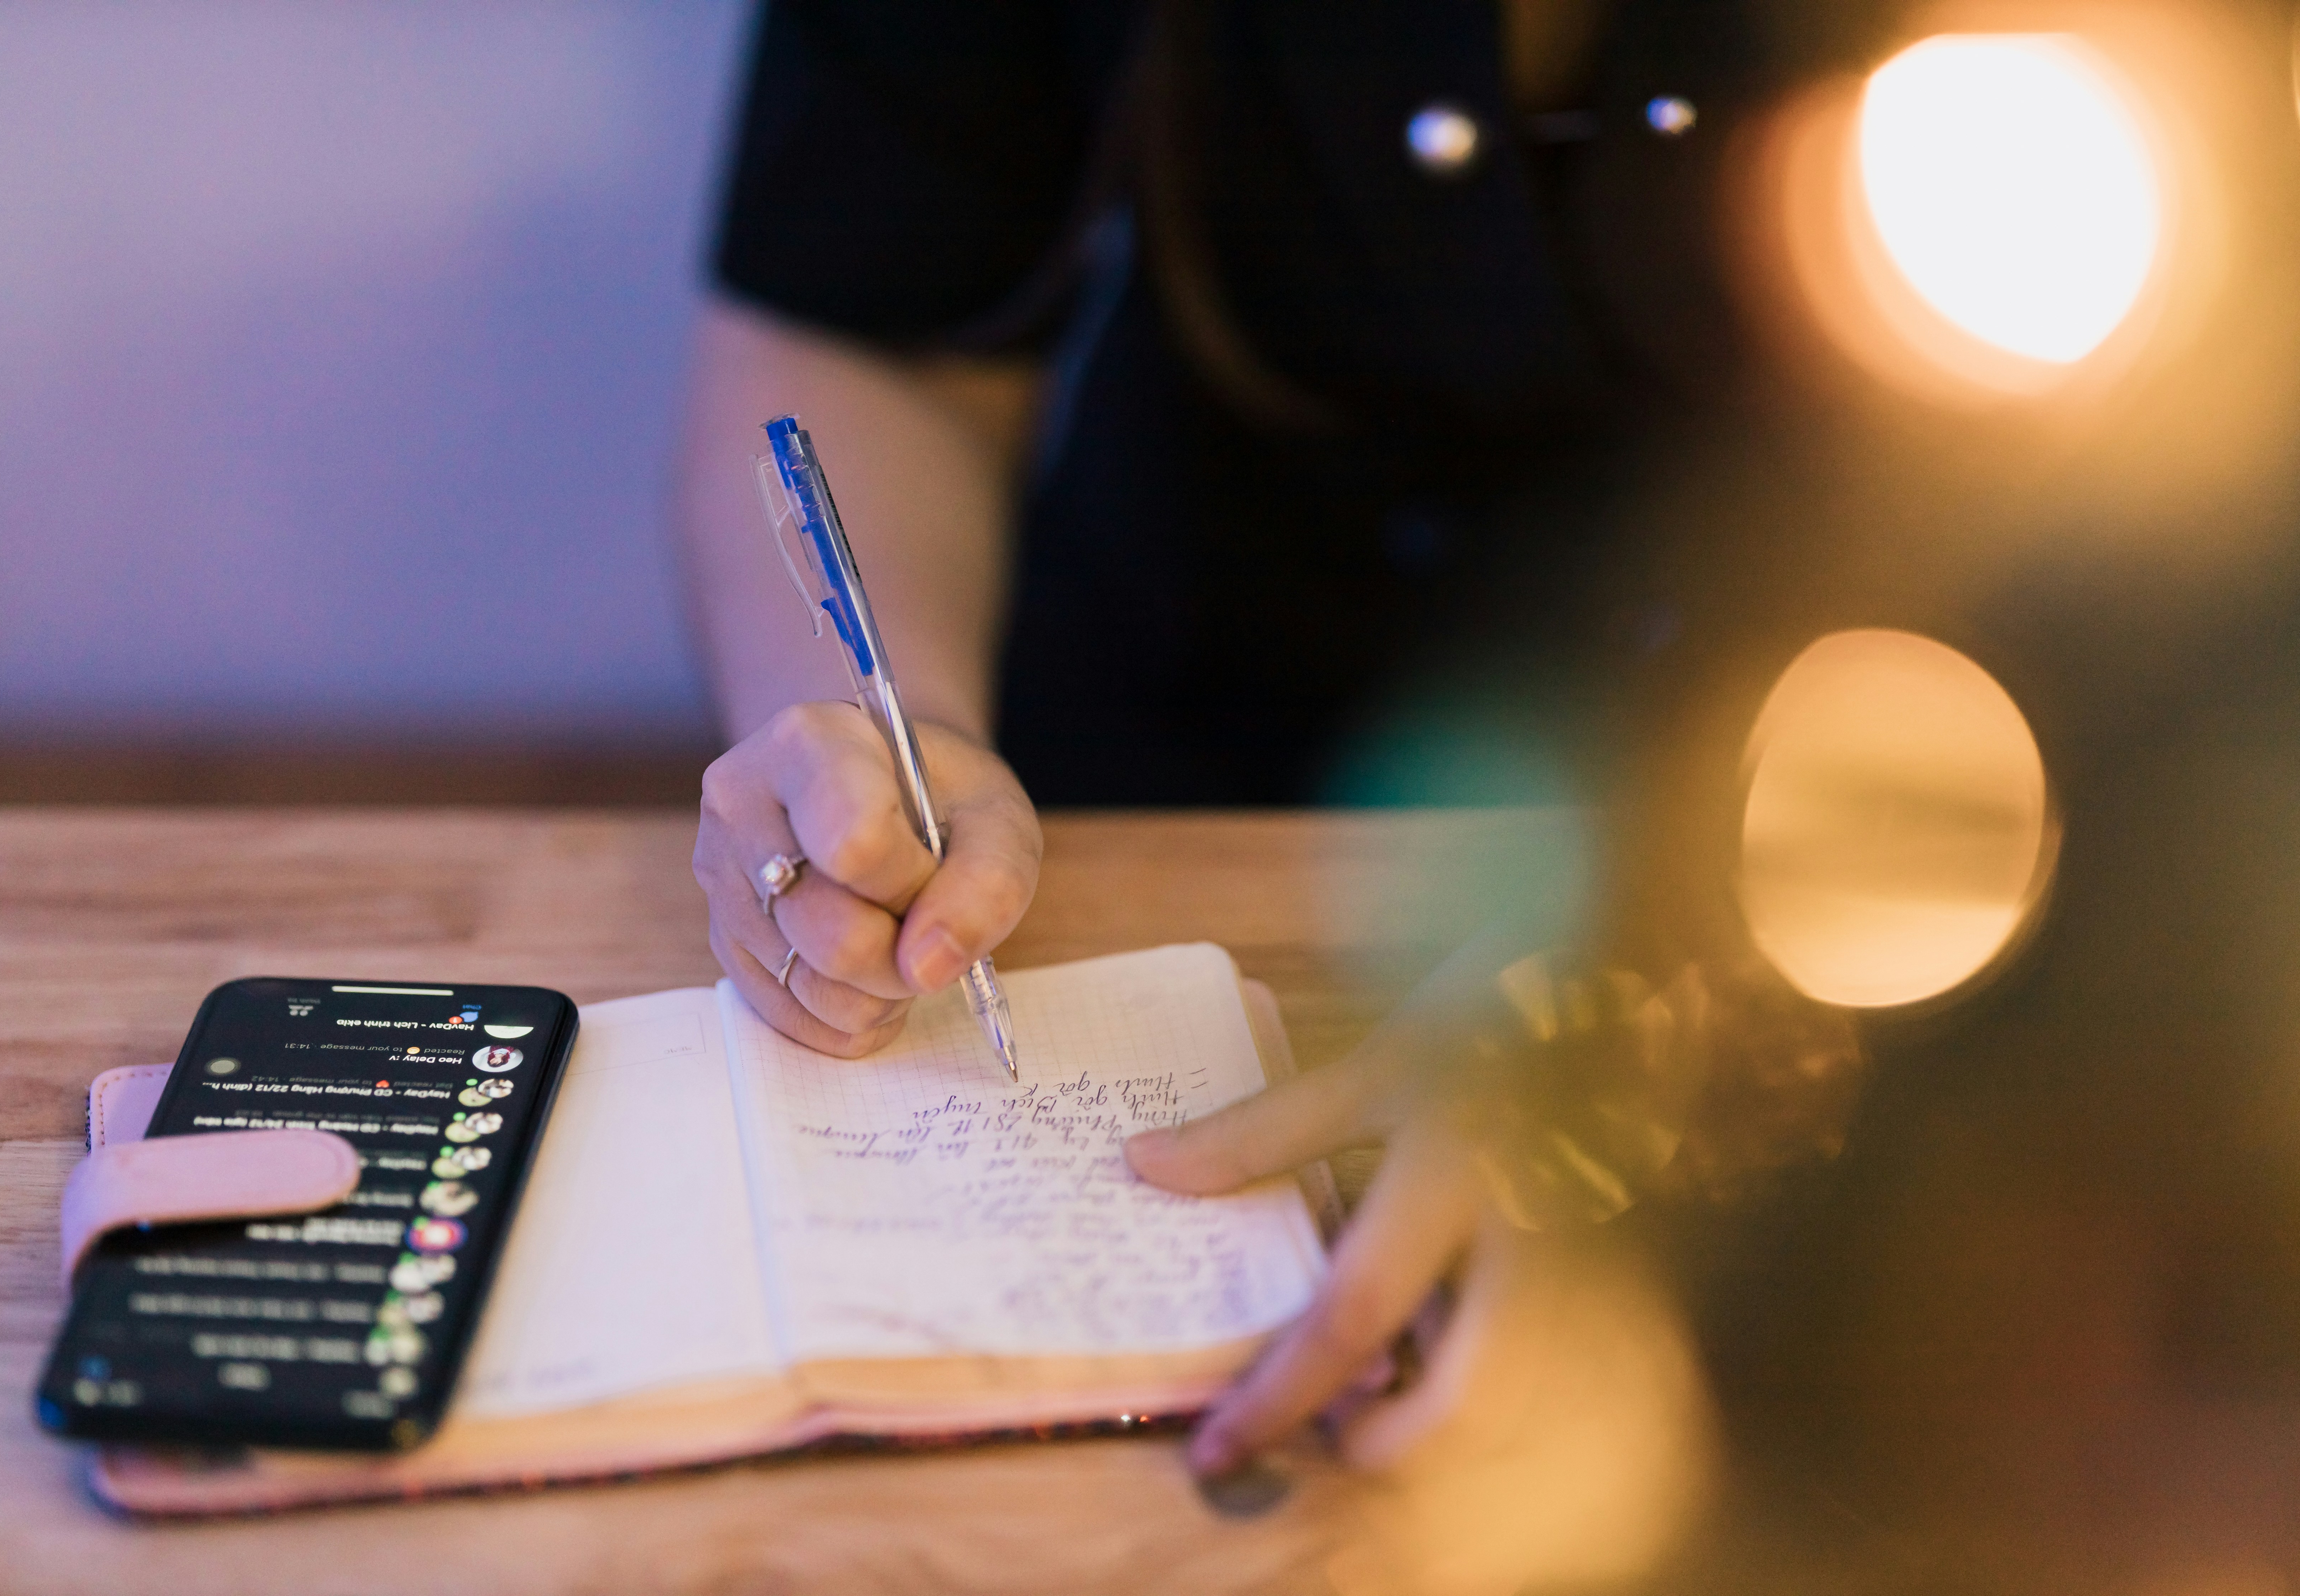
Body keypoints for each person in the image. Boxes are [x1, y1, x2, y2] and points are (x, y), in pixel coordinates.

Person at [676, 0, 2062, 1486]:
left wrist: (1717, 973)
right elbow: (858, 337)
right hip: (1134, 804)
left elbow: (2169, 537)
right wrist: (893, 732)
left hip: (1867, 860)